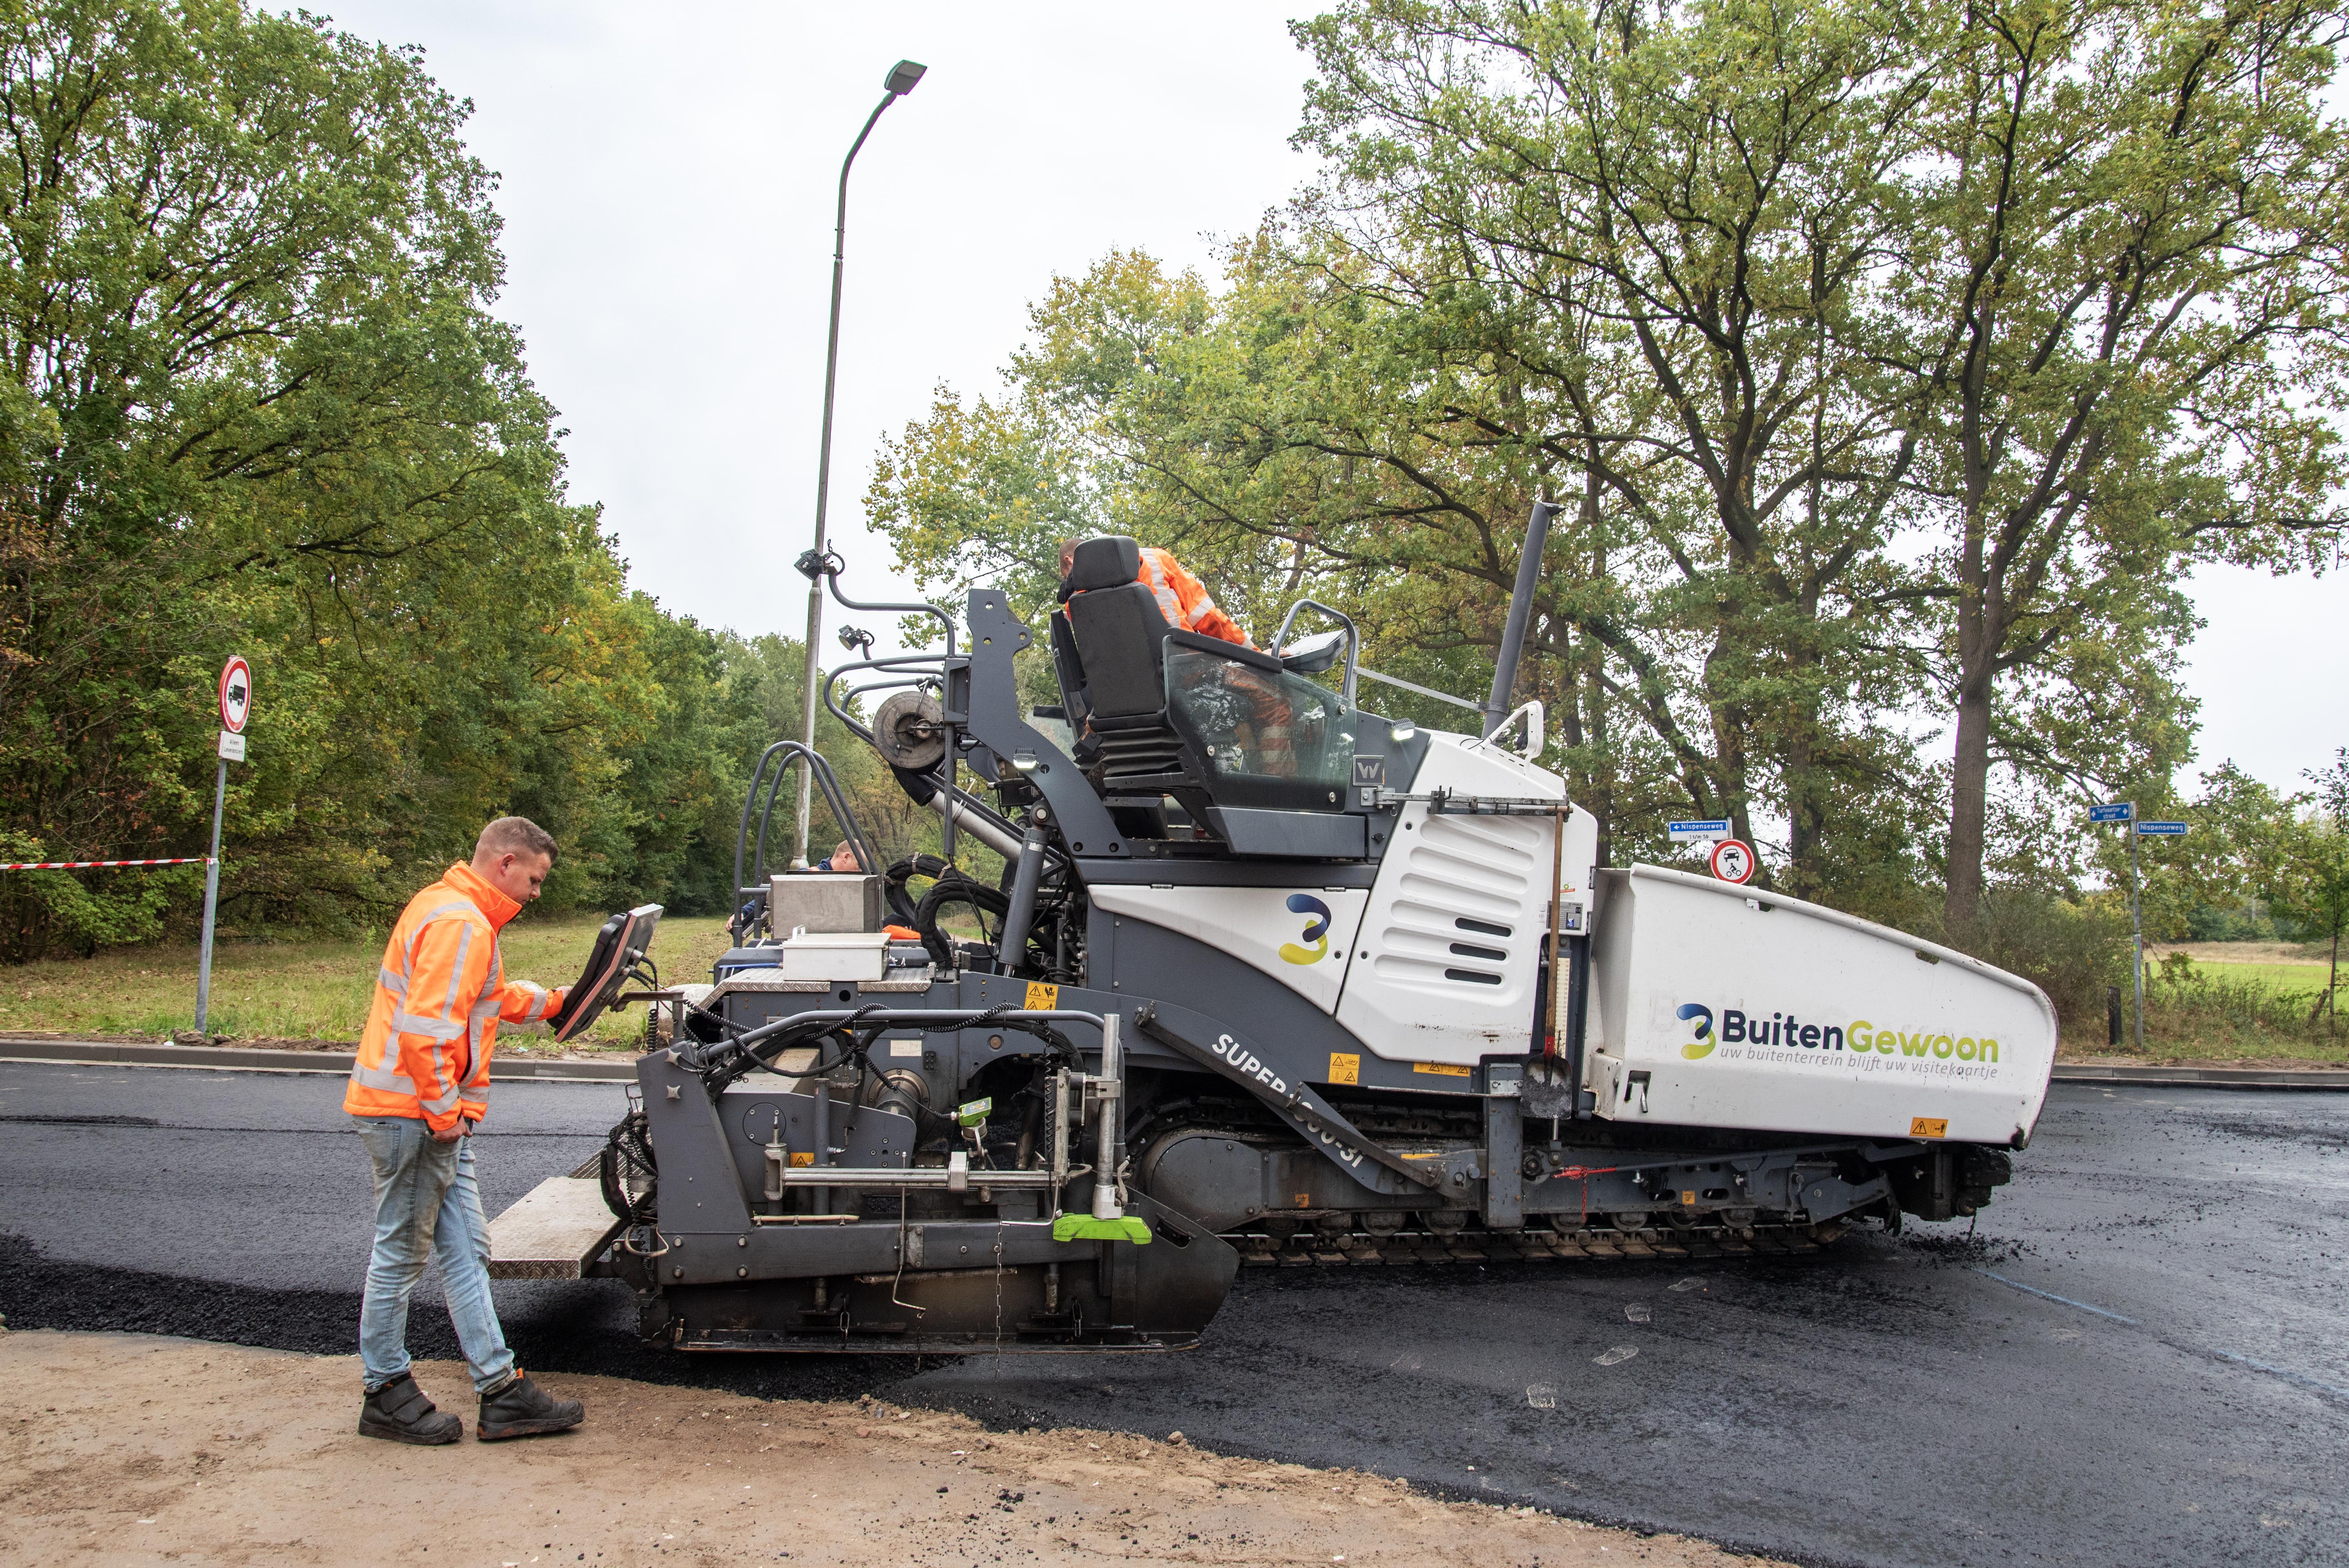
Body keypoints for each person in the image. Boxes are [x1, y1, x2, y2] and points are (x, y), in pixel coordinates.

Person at [344, 816, 586, 1445]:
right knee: (401, 1254)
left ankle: (501, 1390)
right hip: (415, 1116)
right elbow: (426, 1031)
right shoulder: (462, 923)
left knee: (467, 1251)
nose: (536, 893)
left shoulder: (451, 908)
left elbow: (487, 998)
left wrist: (558, 1001)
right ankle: (385, 1390)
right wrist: (444, 1114)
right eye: (535, 879)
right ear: (506, 863)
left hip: (423, 1114)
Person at [1058, 536, 1295, 775]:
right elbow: (1208, 618)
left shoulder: (1075, 601)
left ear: (1070, 562)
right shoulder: (1155, 560)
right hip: (1189, 678)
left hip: (1125, 702)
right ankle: (1277, 787)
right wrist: (1257, 658)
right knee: (1275, 699)